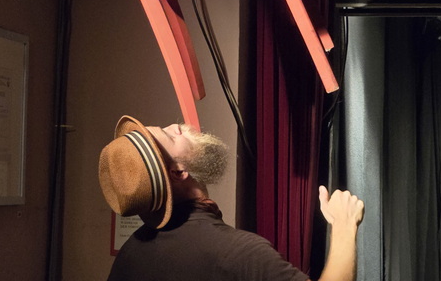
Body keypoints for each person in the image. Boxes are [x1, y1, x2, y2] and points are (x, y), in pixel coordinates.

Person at [99, 115, 365, 281]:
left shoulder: (131, 253)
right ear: (178, 172)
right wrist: (344, 224)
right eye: (169, 135)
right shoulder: (237, 253)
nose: (175, 126)